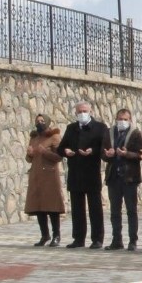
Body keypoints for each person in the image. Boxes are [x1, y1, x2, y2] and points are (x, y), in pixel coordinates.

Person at [57, 101, 110, 249]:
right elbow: (61, 148)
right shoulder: (71, 128)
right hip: (75, 173)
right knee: (77, 208)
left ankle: (97, 239)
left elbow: (104, 148)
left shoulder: (100, 128)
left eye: (85, 110)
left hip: (91, 172)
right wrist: (66, 151)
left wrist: (92, 151)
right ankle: (78, 238)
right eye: (79, 111)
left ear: (90, 111)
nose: (82, 113)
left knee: (95, 208)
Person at [103, 108, 142, 251]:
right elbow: (103, 153)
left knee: (131, 210)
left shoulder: (136, 134)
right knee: (115, 211)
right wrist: (108, 154)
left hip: (129, 176)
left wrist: (127, 154)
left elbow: (140, 154)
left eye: (125, 119)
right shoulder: (110, 132)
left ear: (130, 120)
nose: (122, 122)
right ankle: (116, 240)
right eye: (120, 119)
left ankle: (133, 240)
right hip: (113, 176)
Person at [25, 114, 65, 247]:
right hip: (36, 176)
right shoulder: (34, 137)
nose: (39, 123)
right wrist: (30, 154)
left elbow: (59, 157)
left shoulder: (54, 136)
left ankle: (56, 235)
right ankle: (44, 235)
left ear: (47, 122)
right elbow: (29, 159)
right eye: (37, 121)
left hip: (50, 176)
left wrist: (45, 152)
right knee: (39, 207)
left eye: (42, 121)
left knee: (52, 206)